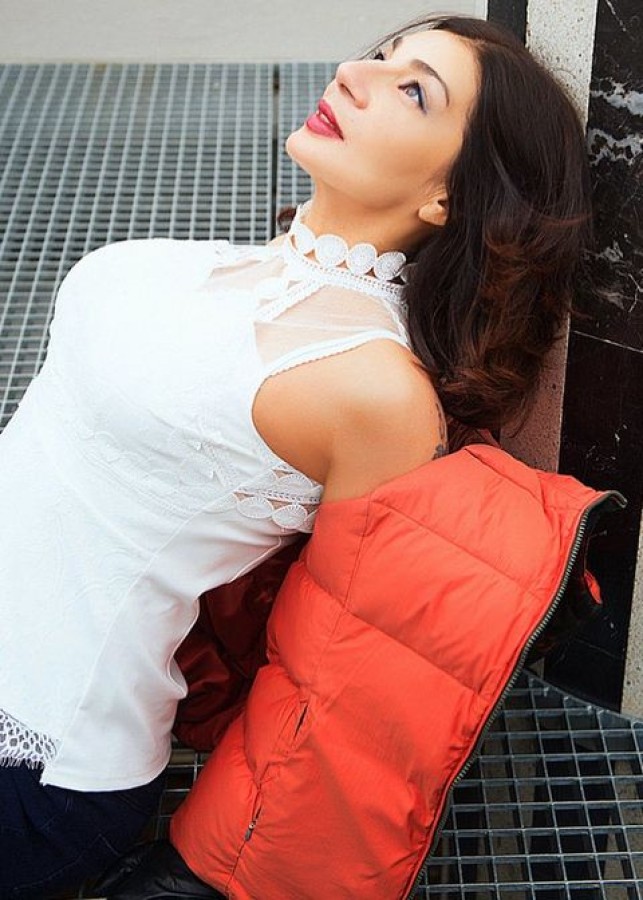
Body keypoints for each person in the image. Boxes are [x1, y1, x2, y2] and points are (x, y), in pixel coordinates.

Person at [0, 12, 621, 900]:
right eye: (380, 56)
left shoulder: (374, 389)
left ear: (446, 197)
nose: (354, 75)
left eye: (413, 91)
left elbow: (337, 675)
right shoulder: (228, 266)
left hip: (40, 757)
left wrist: (200, 869)